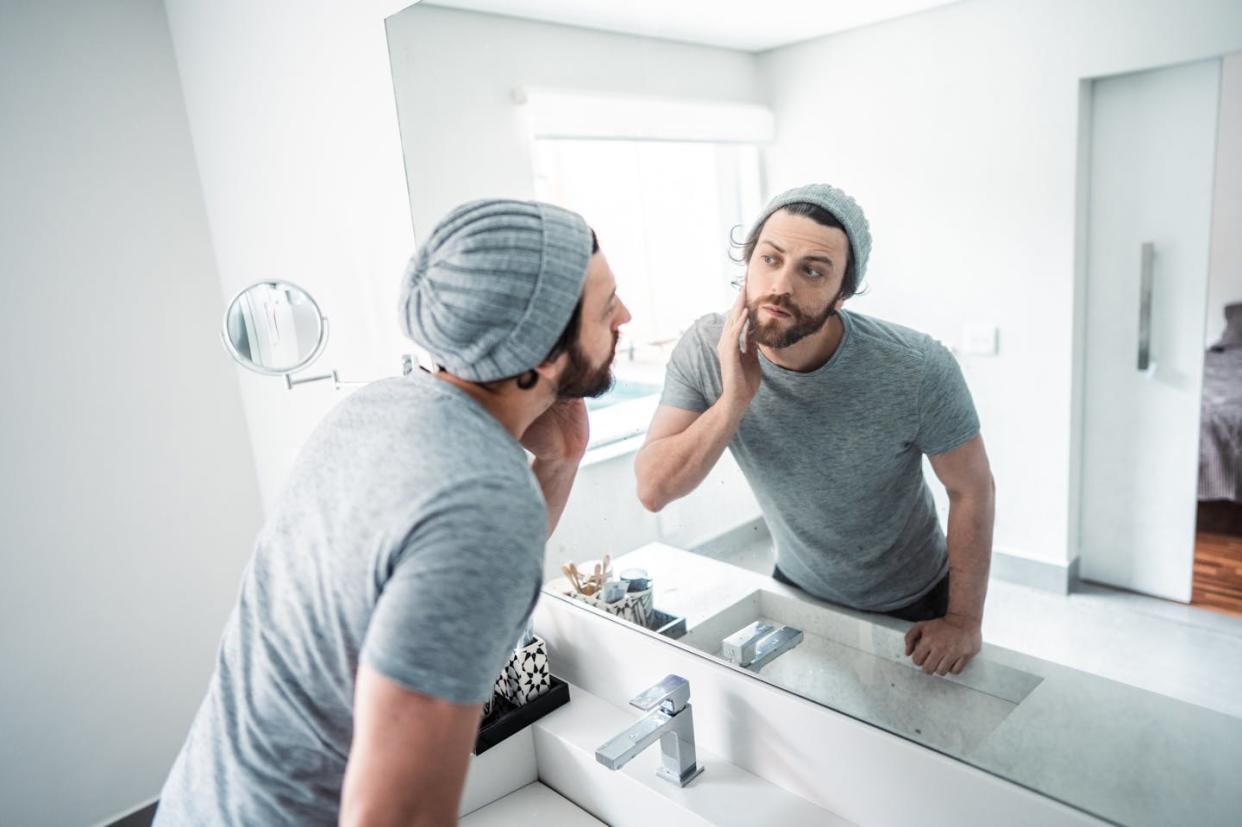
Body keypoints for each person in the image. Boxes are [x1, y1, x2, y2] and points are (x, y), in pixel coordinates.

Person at [154, 198, 631, 825]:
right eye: (607, 307)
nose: (626, 315)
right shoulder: (482, 500)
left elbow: (460, 595)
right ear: (542, 354)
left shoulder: (378, 406)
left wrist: (561, 461)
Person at [635, 183, 994, 677]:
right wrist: (735, 399)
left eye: (812, 270)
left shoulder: (917, 369)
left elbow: (971, 488)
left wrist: (963, 619)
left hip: (915, 601)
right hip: (796, 587)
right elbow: (653, 489)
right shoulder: (706, 349)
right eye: (770, 259)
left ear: (842, 292)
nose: (781, 284)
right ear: (748, 261)